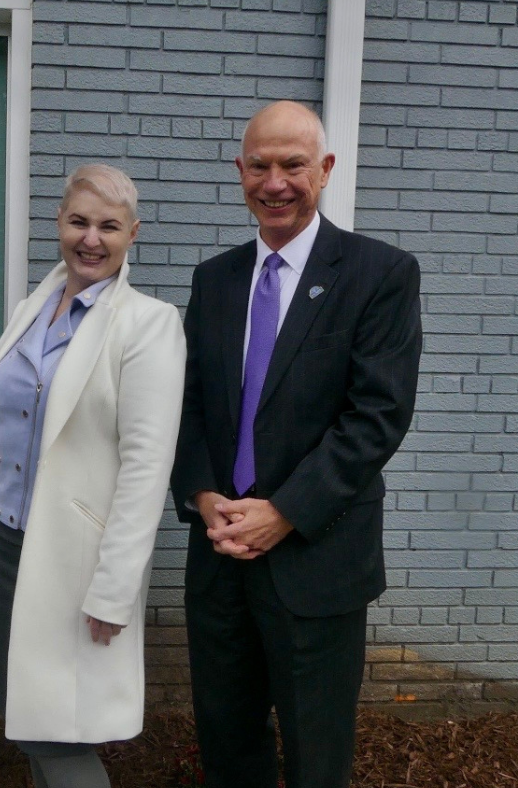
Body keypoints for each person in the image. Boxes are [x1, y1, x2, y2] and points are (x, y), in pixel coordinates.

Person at [172, 100, 422, 788]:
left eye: (293, 165)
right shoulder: (214, 279)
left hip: (317, 561)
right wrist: (200, 495)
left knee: (316, 757)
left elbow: (378, 415)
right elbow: (187, 404)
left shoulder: (381, 274)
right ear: (240, 172)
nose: (275, 182)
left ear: (326, 170)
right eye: (260, 165)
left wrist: (282, 511)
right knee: (228, 746)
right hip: (219, 556)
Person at [0, 164, 186, 788]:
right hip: (3, 546)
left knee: (56, 732)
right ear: (58, 224)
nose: (91, 238)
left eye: (108, 226)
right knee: (22, 712)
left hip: (75, 564)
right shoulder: (32, 308)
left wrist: (114, 590)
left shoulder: (147, 324)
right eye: (79, 221)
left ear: (132, 234)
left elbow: (146, 467)